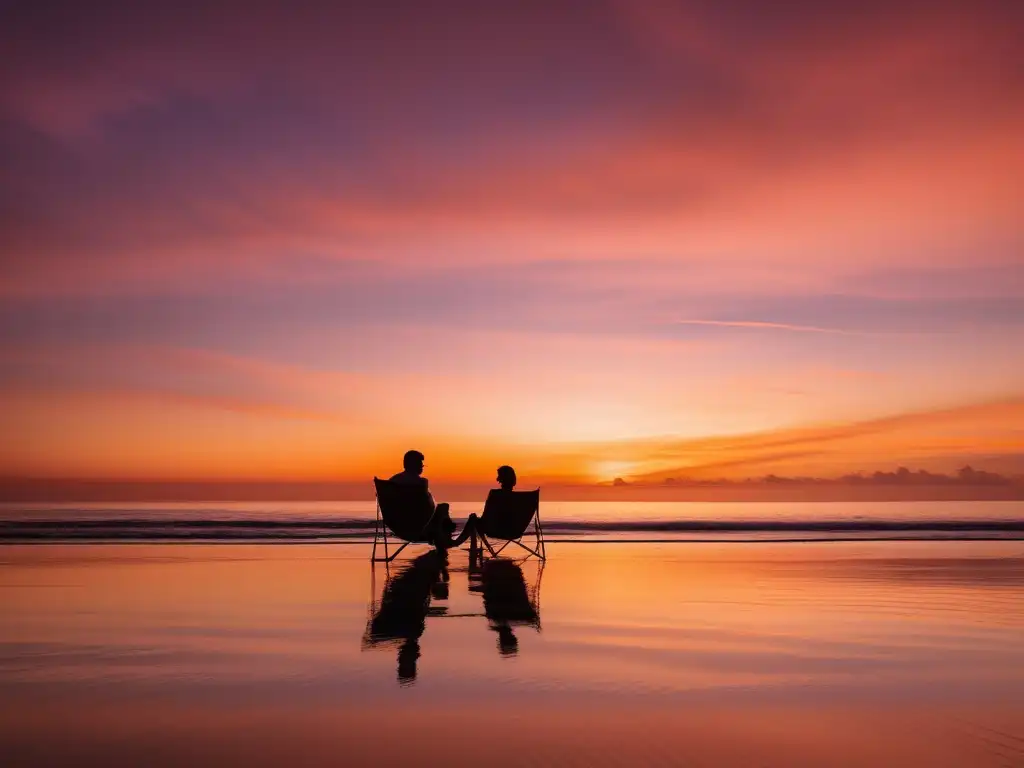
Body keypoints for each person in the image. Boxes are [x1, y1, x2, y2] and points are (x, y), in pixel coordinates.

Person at [389, 450, 456, 553]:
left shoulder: (393, 481)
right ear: (414, 464)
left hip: (397, 527)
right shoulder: (420, 483)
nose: (422, 467)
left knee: (441, 514)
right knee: (443, 507)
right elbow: (428, 507)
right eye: (420, 464)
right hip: (419, 527)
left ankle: (443, 534)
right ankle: (443, 539)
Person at [452, 465, 518, 552]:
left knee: (473, 518)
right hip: (514, 531)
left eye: (499, 476)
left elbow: (487, 515)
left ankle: (457, 543)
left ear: (502, 479)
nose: (497, 479)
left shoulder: (495, 494)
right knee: (475, 519)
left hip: (494, 529)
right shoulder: (520, 498)